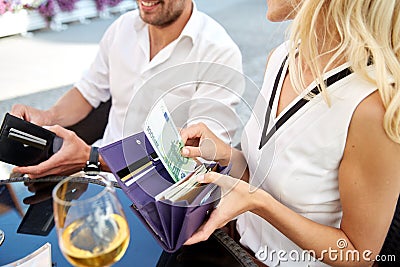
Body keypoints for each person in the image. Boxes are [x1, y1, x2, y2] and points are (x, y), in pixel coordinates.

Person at [180, 0, 400, 266]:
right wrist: (226, 154)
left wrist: (259, 204)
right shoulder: (282, 57)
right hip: (234, 249)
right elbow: (266, 177)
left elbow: (357, 255)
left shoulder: (372, 106)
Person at [10, 0, 243, 178]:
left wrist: (93, 158)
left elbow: (200, 155)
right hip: (99, 172)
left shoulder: (218, 53)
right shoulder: (122, 28)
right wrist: (47, 116)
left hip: (162, 193)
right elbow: (87, 91)